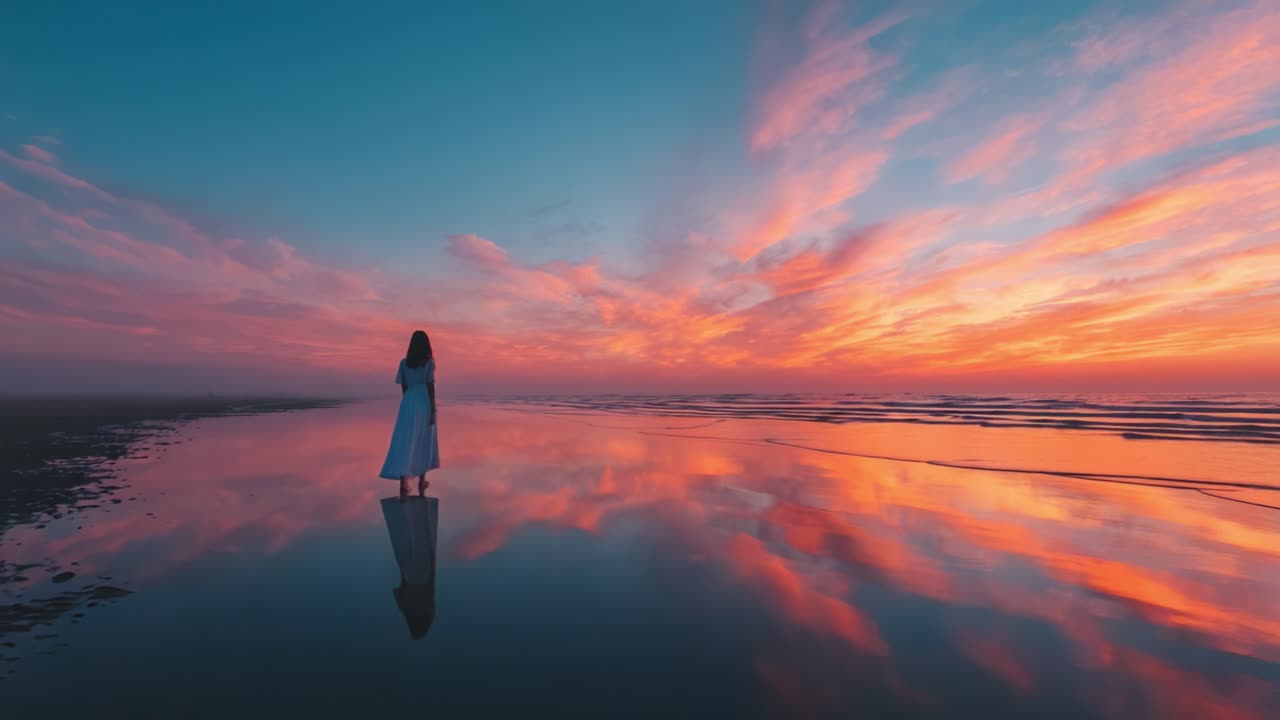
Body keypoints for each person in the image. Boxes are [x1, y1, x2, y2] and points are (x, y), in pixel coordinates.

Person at [379, 330, 440, 496]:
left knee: (405, 440)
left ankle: (403, 482)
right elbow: (430, 386)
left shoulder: (404, 363)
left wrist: (408, 402)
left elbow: (404, 387)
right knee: (423, 439)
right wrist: (433, 407)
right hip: (423, 401)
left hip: (408, 401)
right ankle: (421, 480)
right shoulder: (429, 362)